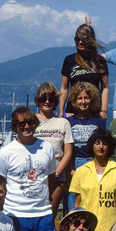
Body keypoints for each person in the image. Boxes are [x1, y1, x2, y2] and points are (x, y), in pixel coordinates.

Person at [0, 107, 58, 231]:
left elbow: (51, 180)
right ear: (14, 127)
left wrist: (50, 207)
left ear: (35, 124)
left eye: (30, 122)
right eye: (22, 124)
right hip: (15, 216)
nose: (26, 127)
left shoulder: (47, 148)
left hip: (43, 216)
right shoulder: (6, 153)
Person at [69, 128, 116, 231]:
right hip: (86, 227)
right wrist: (75, 224)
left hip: (109, 227)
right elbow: (77, 201)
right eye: (97, 143)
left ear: (110, 147)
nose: (101, 147)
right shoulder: (81, 171)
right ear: (92, 146)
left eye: (105, 143)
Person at [34, 82, 73, 215]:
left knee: (50, 214)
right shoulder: (31, 121)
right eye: (43, 98)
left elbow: (68, 152)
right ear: (37, 100)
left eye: (51, 98)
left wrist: (55, 173)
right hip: (34, 177)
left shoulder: (63, 123)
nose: (47, 101)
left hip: (57, 176)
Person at [59, 22, 109, 118]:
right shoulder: (69, 60)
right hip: (73, 111)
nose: (80, 42)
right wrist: (61, 111)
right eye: (77, 39)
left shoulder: (99, 61)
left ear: (90, 40)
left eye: (84, 39)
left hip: (94, 111)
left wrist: (104, 110)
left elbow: (105, 87)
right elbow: (64, 88)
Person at [68, 82, 108, 174]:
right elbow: (66, 148)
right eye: (79, 98)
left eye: (86, 98)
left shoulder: (99, 121)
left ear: (92, 100)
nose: (83, 102)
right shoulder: (69, 121)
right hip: (76, 162)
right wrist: (71, 169)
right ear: (74, 100)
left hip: (94, 162)